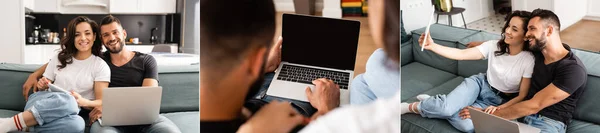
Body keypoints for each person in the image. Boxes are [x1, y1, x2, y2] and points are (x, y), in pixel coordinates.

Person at [21, 15, 181, 133]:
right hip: (110, 120)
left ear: (124, 33)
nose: (112, 38)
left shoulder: (147, 61)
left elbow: (147, 100)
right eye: (106, 35)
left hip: (144, 119)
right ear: (102, 40)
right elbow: (65, 59)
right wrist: (35, 74)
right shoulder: (99, 61)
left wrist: (107, 106)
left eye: (115, 32)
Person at [400, 10, 536, 132]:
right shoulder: (494, 46)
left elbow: (522, 96)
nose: (507, 31)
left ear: (525, 35)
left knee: (467, 126)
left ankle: (438, 104)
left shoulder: (528, 59)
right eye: (508, 26)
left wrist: (498, 110)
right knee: (447, 108)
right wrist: (433, 46)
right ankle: (411, 107)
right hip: (480, 85)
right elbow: (460, 54)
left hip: (498, 101)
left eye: (514, 29)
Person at [459, 9, 587, 133]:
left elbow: (535, 105)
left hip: (548, 122)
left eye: (532, 29)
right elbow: (511, 44)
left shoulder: (573, 70)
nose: (526, 35)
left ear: (549, 30)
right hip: (519, 116)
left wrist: (484, 115)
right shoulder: (537, 52)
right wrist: (483, 44)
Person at [1, 16, 110, 133]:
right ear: (72, 38)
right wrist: (42, 83)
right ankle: (11, 124)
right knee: (70, 100)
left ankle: (24, 126)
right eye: (77, 34)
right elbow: (44, 84)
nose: (83, 38)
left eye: (87, 33)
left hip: (68, 112)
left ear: (94, 36)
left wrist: (83, 101)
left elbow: (101, 101)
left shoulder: (100, 66)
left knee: (78, 124)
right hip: (42, 102)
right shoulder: (60, 58)